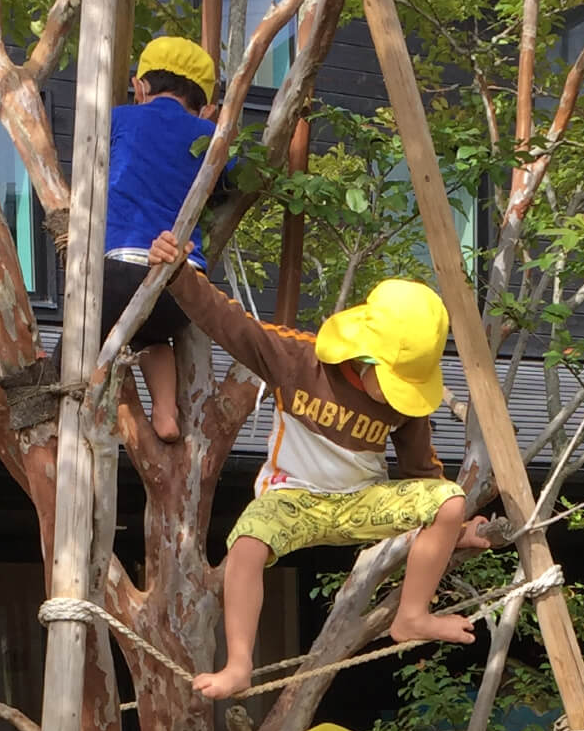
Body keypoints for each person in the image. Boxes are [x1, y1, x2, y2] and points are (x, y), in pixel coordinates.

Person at [146, 230, 493, 699]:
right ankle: (239, 665)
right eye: (391, 382)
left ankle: (413, 615)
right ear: (364, 356)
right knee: (247, 545)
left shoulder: (407, 406)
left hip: (361, 503)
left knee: (448, 501)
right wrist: (180, 276)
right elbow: (231, 325)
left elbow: (421, 473)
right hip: (294, 498)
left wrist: (453, 528)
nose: (396, 398)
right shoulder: (298, 361)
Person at [88, 35, 230, 445]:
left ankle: (69, 388)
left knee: (85, 329)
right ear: (206, 106)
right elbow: (231, 177)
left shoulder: (118, 119)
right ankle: (165, 414)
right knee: (154, 335)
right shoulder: (208, 137)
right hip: (183, 287)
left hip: (122, 268)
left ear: (140, 87)